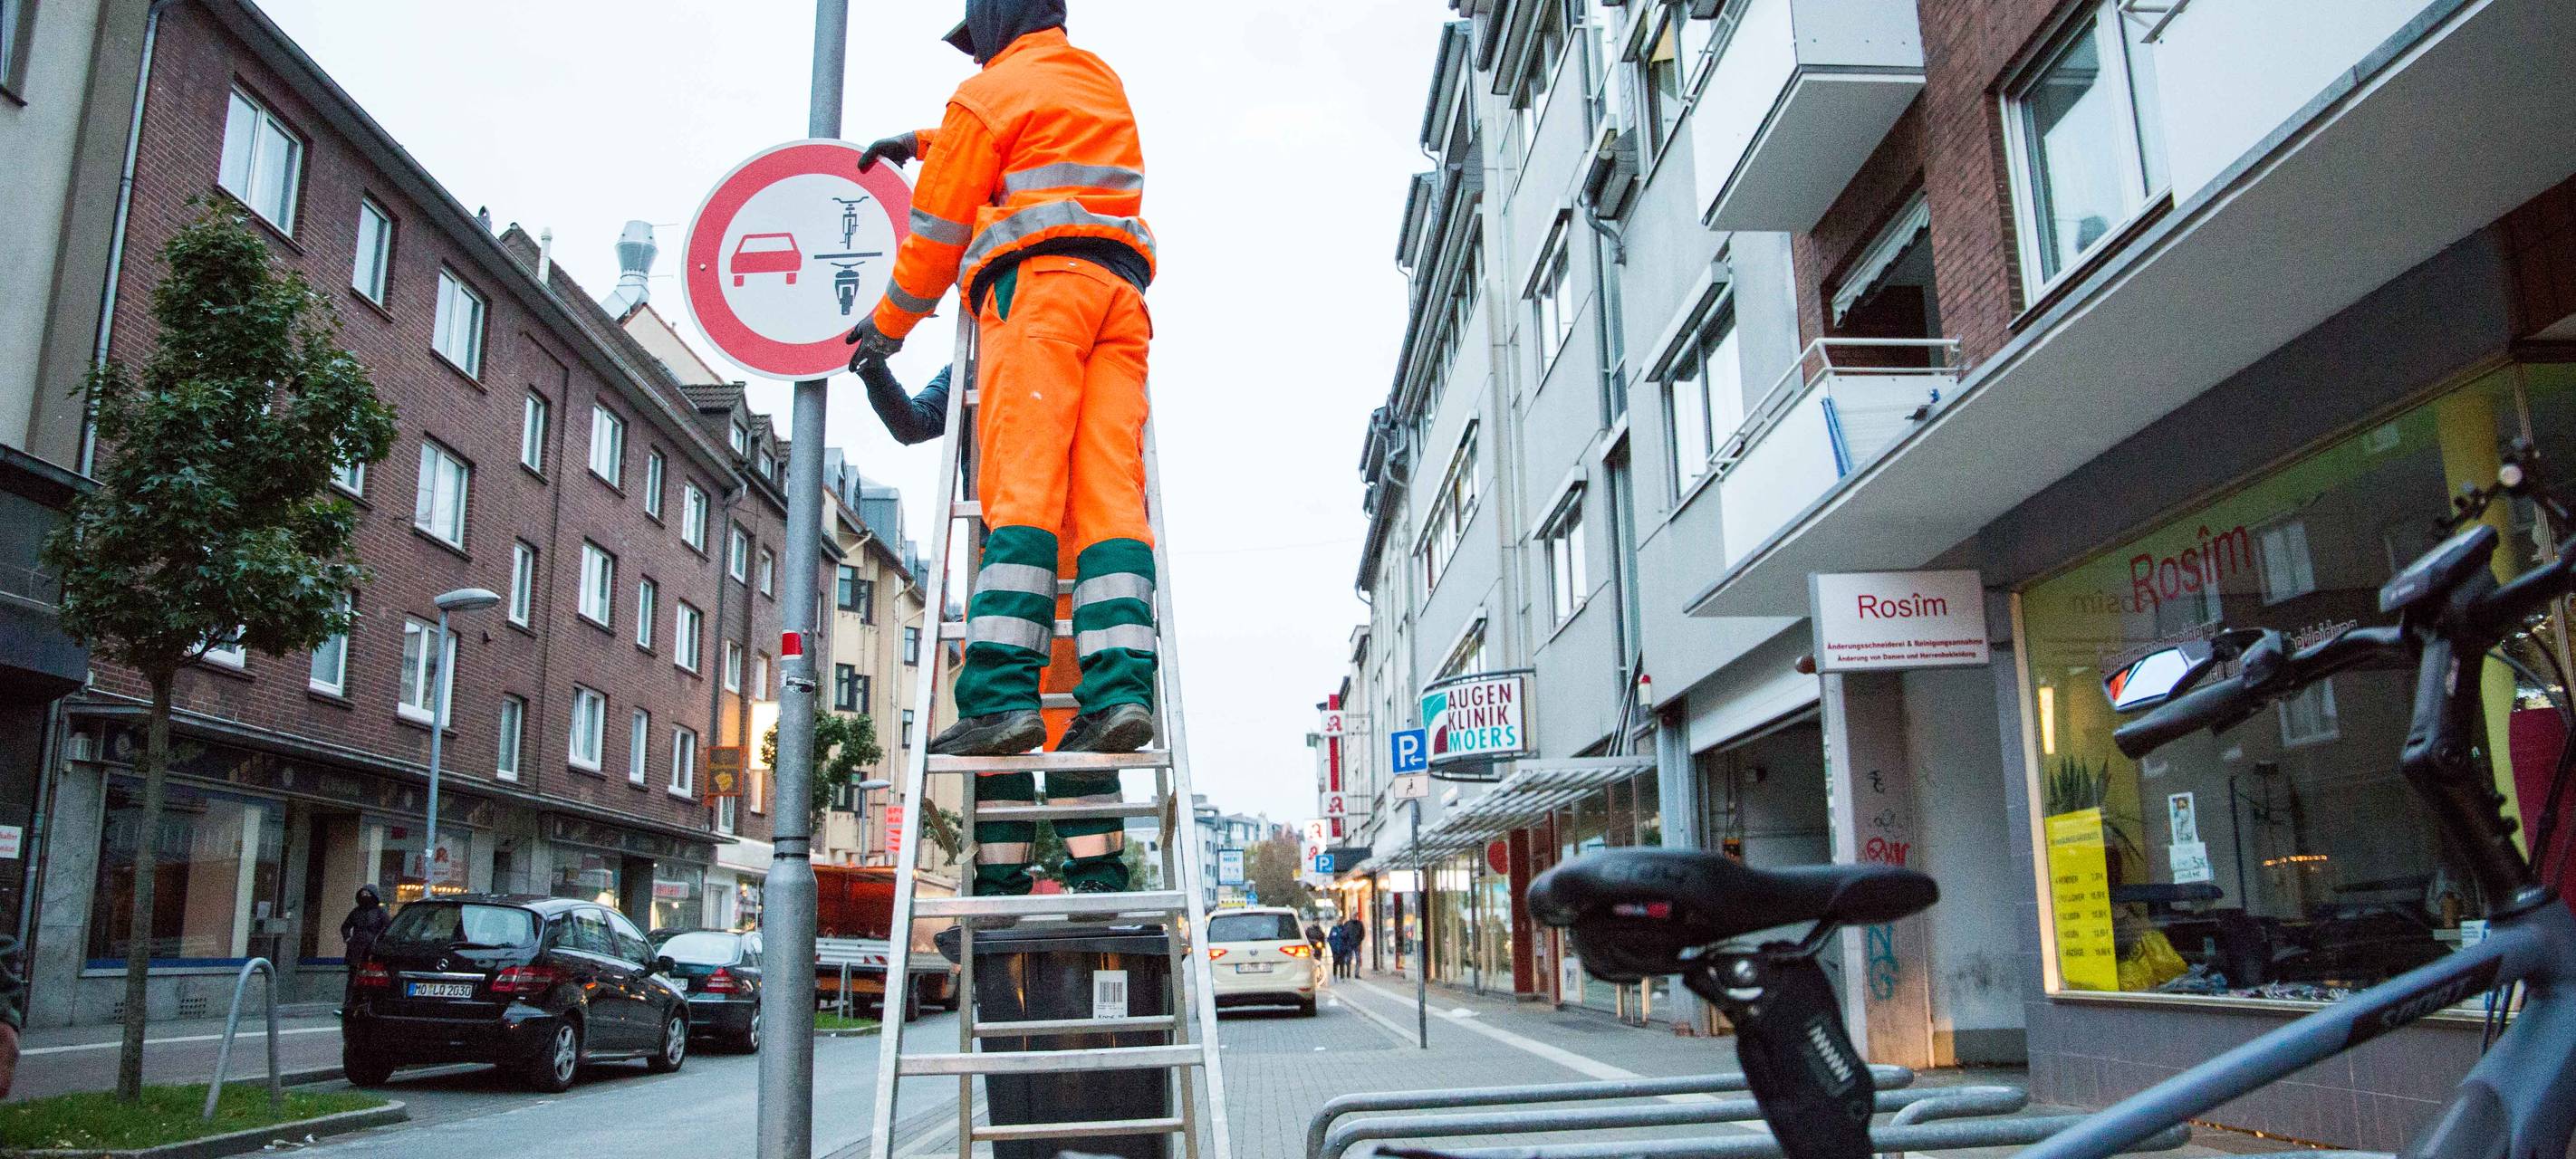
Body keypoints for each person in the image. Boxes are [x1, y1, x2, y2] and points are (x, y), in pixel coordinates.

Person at [849, 0, 1158, 898]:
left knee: (1019, 490)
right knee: (1111, 499)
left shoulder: (984, 99)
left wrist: (887, 328)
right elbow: (1014, 141)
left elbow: (940, 230)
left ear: (992, 20)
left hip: (1042, 291)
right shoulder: (1094, 78)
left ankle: (996, 697)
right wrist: (927, 137)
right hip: (1120, 294)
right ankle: (1121, 691)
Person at [339, 885, 389, 1004]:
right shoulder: (356, 912)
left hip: (372, 950)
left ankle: (368, 1002)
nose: (365, 897)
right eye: (363, 894)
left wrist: (379, 943)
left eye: (368, 894)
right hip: (356, 949)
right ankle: (349, 1002)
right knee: (353, 977)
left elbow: (387, 928)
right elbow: (345, 926)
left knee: (370, 977)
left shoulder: (380, 912)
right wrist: (348, 938)